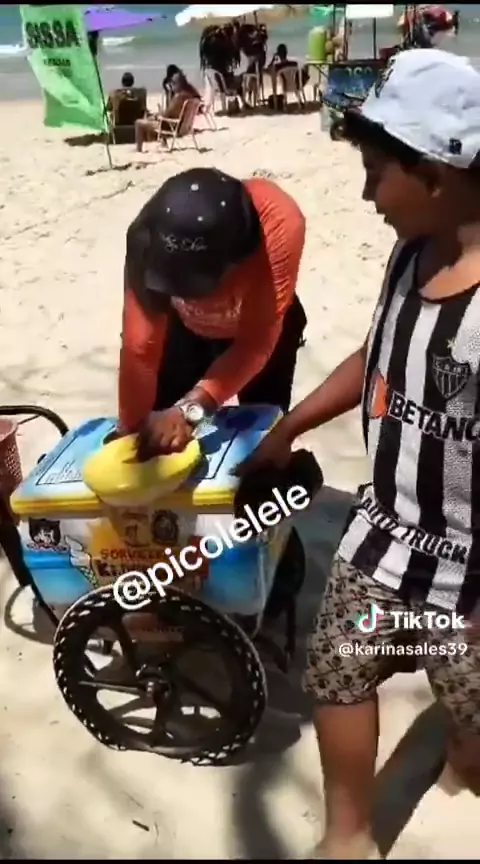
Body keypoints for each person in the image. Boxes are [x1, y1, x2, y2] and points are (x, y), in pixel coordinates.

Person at [236, 49, 480, 858]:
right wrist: (291, 425)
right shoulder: (412, 254)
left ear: (436, 175)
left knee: (472, 719)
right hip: (382, 542)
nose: (367, 194)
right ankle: (347, 834)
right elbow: (378, 356)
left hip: (467, 584)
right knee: (340, 668)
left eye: (377, 173)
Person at [119, 167, 307, 459]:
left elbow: (255, 344)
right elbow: (140, 347)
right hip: (184, 330)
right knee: (156, 440)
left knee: (262, 445)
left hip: (261, 328)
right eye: (176, 283)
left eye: (198, 284)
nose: (188, 295)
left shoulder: (277, 226)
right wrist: (131, 434)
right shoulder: (145, 237)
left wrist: (191, 409)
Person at [134, 71, 200, 152]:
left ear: (178, 84)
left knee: (139, 123)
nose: (171, 85)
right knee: (152, 119)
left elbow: (167, 115)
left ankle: (138, 149)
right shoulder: (189, 96)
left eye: (173, 83)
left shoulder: (178, 97)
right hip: (184, 128)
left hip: (172, 127)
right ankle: (162, 143)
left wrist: (157, 116)